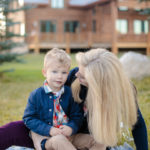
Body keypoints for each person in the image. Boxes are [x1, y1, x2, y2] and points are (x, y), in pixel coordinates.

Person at [0, 48, 148, 150]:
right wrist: (40, 135)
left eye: (82, 76)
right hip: (54, 132)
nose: (76, 75)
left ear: (98, 82)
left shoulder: (122, 93)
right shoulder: (74, 76)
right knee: (10, 131)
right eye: (78, 70)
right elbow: (45, 105)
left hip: (83, 138)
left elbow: (138, 125)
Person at [23, 48, 84, 150]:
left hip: (70, 136)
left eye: (64, 72)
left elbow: (77, 115)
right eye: (54, 72)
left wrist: (71, 127)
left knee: (95, 141)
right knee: (59, 140)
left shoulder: (70, 93)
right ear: (45, 72)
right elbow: (28, 118)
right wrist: (49, 129)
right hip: (50, 138)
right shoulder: (36, 95)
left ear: (68, 74)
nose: (59, 76)